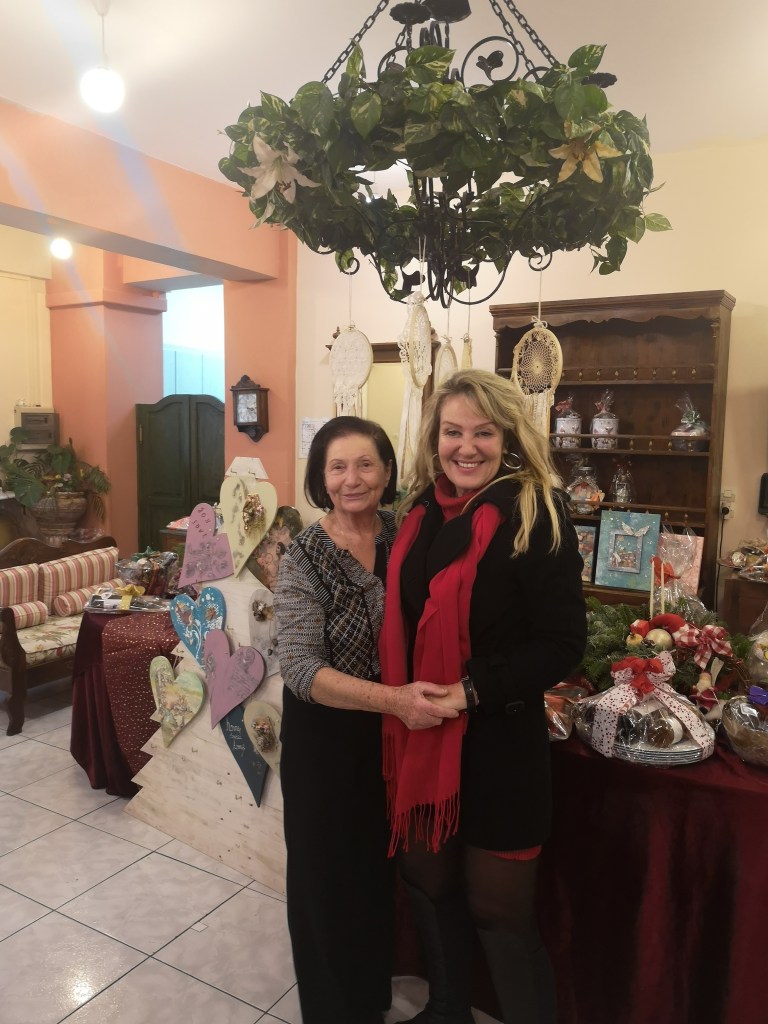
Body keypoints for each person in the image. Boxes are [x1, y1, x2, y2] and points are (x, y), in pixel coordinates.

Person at [379, 369, 587, 1024]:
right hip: (421, 735)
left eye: (483, 433)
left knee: (500, 912)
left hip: (500, 746)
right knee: (428, 882)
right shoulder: (417, 515)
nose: (466, 447)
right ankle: (448, 1011)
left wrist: (470, 691)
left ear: (509, 438)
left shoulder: (537, 513)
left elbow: (563, 643)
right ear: (434, 439)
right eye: (452, 432)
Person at [274, 416, 458, 1024]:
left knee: (375, 873)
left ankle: (369, 999)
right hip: (327, 739)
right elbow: (301, 669)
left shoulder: (404, 534)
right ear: (320, 477)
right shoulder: (304, 556)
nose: (351, 479)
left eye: (365, 465)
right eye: (337, 467)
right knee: (324, 881)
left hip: (394, 735)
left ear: (386, 473)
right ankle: (333, 1011)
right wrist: (395, 700)